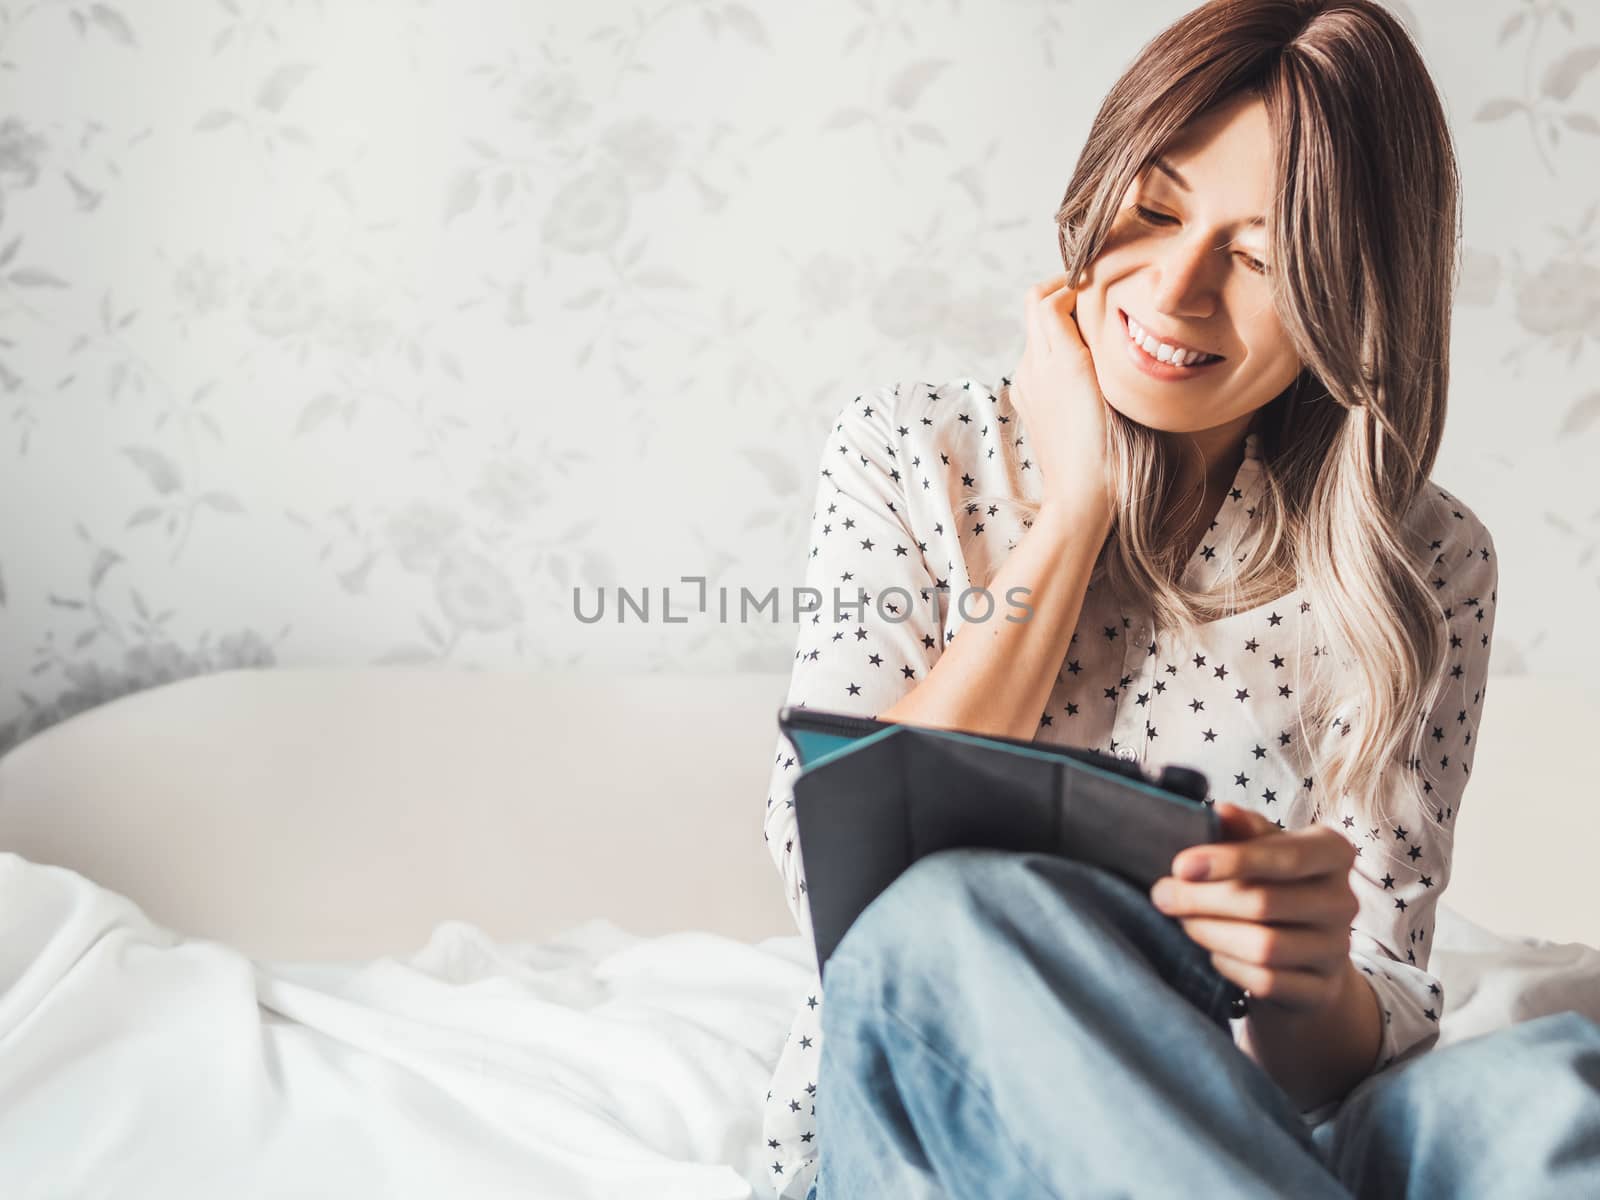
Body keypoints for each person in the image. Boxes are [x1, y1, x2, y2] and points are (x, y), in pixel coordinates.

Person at [758, 1, 1600, 1197]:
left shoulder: (1426, 562)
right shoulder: (911, 451)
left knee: (1534, 1084)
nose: (1177, 288)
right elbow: (836, 881)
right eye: (1152, 213)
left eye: (1256, 259)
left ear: (1348, 297)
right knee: (949, 908)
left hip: (1248, 1139)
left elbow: (1377, 1005)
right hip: (936, 1132)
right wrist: (1075, 510)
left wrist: (1306, 980)